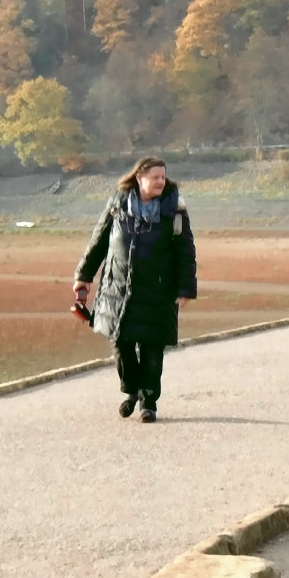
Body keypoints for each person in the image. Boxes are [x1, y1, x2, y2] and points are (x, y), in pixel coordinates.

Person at [73, 157, 197, 423]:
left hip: (158, 291)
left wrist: (186, 287)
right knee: (121, 343)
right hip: (118, 289)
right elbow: (99, 240)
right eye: (155, 177)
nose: (160, 182)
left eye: (163, 177)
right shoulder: (118, 205)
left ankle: (148, 403)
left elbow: (186, 251)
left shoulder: (174, 211)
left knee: (153, 349)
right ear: (139, 178)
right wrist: (83, 276)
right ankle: (131, 391)